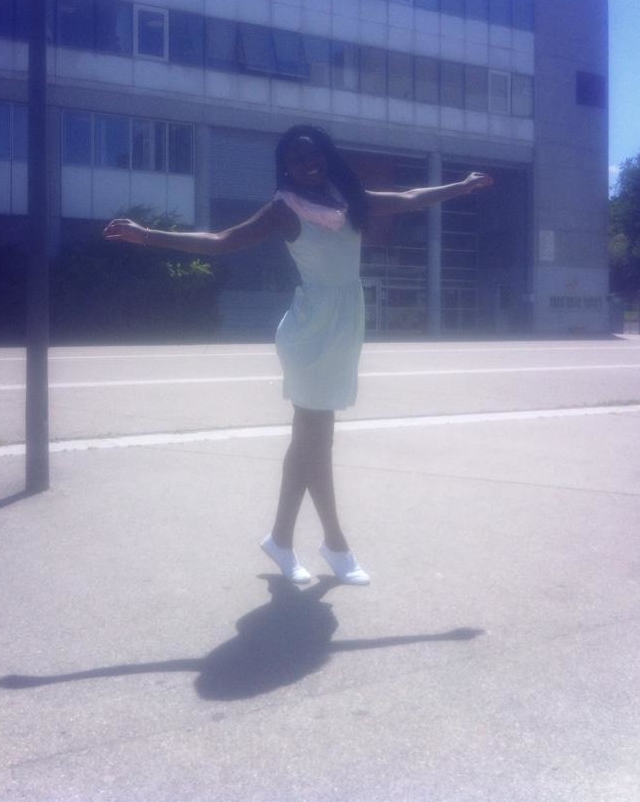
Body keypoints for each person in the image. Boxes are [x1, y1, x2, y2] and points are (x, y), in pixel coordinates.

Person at [103, 124, 493, 586]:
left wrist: (461, 186)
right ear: (286, 166)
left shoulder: (347, 197)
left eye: (315, 154)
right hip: (309, 333)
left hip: (342, 327)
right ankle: (330, 543)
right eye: (297, 158)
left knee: (312, 442)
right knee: (315, 442)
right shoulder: (284, 208)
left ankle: (289, 541)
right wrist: (148, 235)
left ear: (326, 156)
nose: (308, 164)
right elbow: (224, 241)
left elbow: (409, 198)